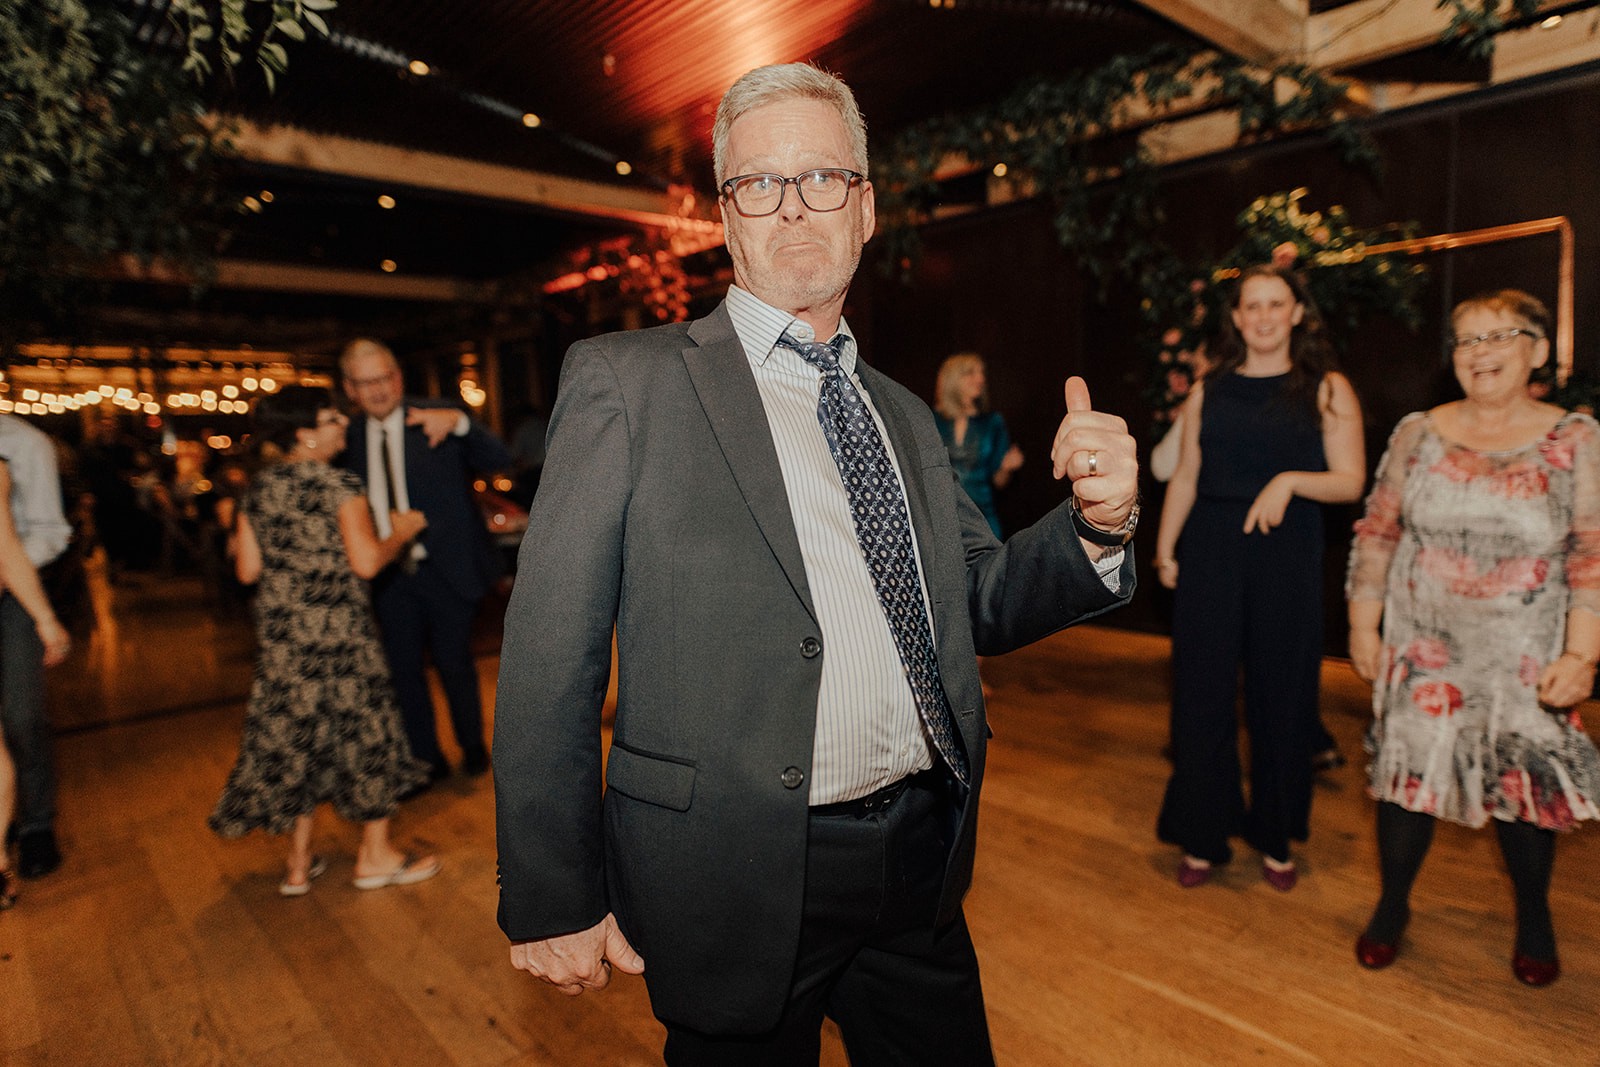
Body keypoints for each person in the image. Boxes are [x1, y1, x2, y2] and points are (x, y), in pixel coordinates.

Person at [493, 62, 1139, 1065]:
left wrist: (1097, 526)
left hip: (917, 858)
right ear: (727, 215)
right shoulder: (630, 384)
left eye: (823, 177)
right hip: (731, 872)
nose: (793, 205)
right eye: (760, 182)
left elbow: (976, 598)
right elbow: (549, 656)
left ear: (865, 208)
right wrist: (554, 892)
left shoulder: (903, 414)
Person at [1345, 289, 1600, 987]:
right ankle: (1393, 904)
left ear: (1538, 350)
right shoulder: (1418, 432)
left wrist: (1582, 653)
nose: (1480, 352)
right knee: (1407, 783)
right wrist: (1363, 623)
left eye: (1499, 335)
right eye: (1466, 339)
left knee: (1523, 789)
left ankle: (1535, 914)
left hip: (1525, 657)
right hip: (1423, 648)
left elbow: (1591, 553)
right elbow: (1378, 531)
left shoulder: (1576, 438)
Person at [1153, 263, 1366, 891]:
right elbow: (1186, 474)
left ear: (1297, 313)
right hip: (1211, 548)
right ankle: (1203, 834)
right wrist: (1165, 548)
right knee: (1201, 696)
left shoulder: (1327, 388)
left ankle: (1275, 835)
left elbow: (1351, 480)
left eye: (1277, 304)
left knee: (1283, 696)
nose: (1265, 316)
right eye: (1253, 305)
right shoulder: (1209, 390)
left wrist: (1290, 481)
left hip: (1286, 552)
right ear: (1238, 318)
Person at [210, 387, 440, 894]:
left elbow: (247, 570)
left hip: (283, 641)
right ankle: (375, 858)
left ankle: (297, 865)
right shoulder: (340, 485)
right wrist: (401, 532)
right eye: (332, 418)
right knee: (369, 736)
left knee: (300, 741)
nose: (343, 425)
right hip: (340, 638)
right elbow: (367, 562)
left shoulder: (258, 489)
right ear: (304, 433)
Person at [338, 339, 513, 784]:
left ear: (398, 378)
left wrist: (460, 424)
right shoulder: (347, 437)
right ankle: (425, 759)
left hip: (446, 569)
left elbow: (500, 459)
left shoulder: (435, 416)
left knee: (455, 662)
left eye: (384, 378)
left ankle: (472, 746)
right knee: (403, 671)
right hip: (388, 574)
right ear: (350, 389)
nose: (379, 390)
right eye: (366, 383)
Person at [0, 414, 73, 880]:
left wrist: (9, 574)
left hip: (15, 595)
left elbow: (49, 531)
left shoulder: (23, 442)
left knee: (22, 716)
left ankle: (36, 823)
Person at [933, 354, 1024, 537]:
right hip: (942, 517)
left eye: (982, 373)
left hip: (982, 517)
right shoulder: (933, 420)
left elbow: (999, 481)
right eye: (971, 373)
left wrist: (1006, 467)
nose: (980, 379)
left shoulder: (992, 422)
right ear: (953, 379)